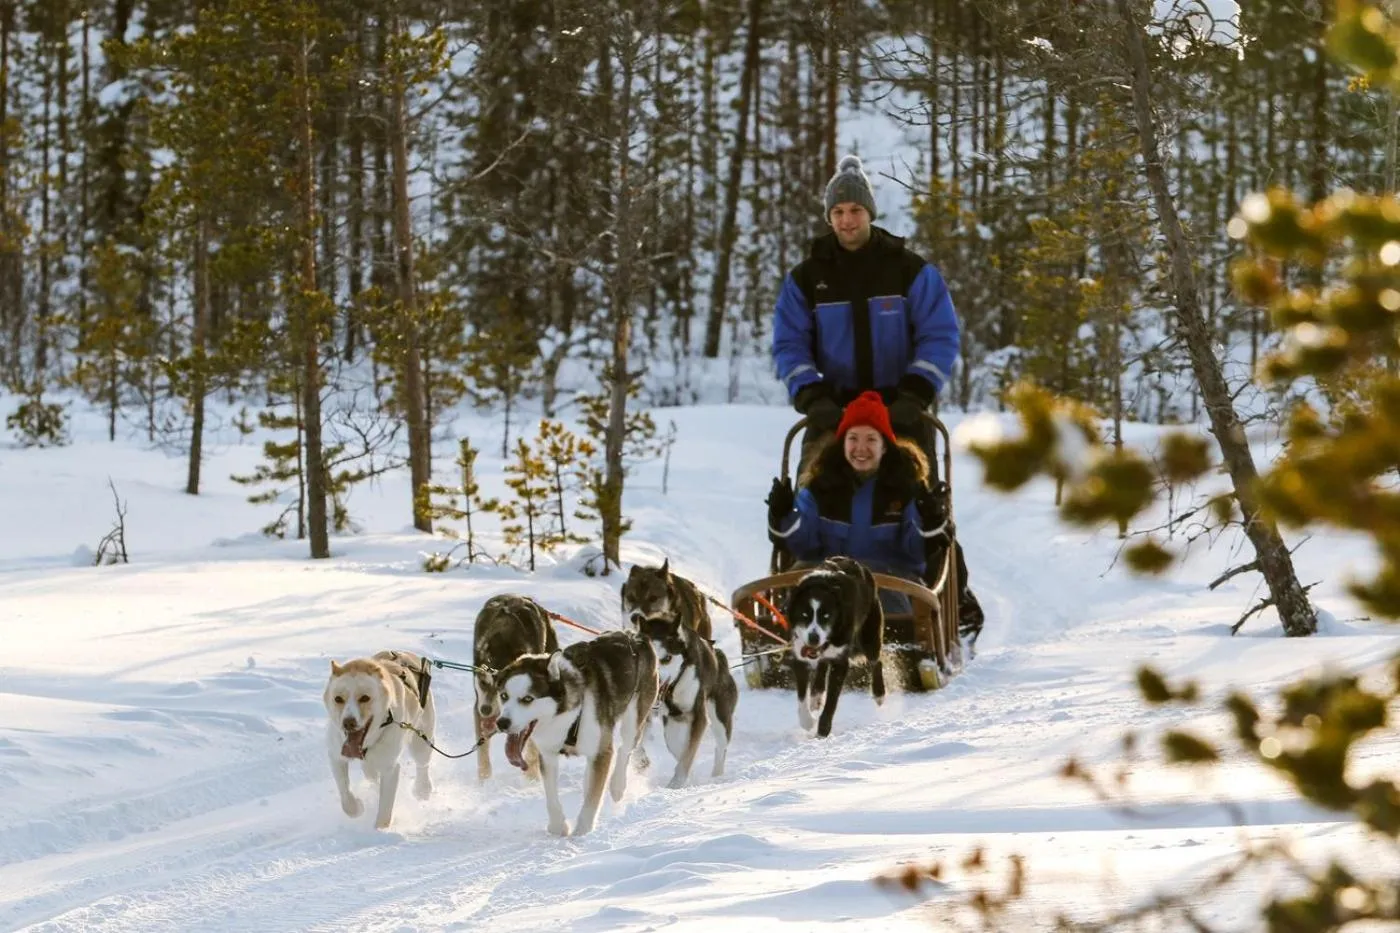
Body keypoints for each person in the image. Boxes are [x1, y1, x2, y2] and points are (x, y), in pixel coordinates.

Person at [771, 153, 961, 468]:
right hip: (833, 410)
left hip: (900, 407)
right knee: (814, 497)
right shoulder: (806, 279)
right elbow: (789, 343)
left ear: (869, 212)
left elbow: (939, 334)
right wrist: (810, 394)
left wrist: (916, 392)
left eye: (856, 210)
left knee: (920, 502)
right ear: (829, 216)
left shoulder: (909, 271)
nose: (847, 220)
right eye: (838, 211)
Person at [765, 391, 983, 644]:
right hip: (826, 574)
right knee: (805, 580)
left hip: (892, 577)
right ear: (842, 442)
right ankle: (786, 641)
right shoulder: (820, 485)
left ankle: (899, 648)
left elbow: (915, 551)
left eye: (871, 439)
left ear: (885, 445)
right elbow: (802, 544)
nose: (861, 448)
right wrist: (781, 516)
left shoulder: (905, 486)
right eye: (853, 438)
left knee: (879, 587)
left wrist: (932, 522)